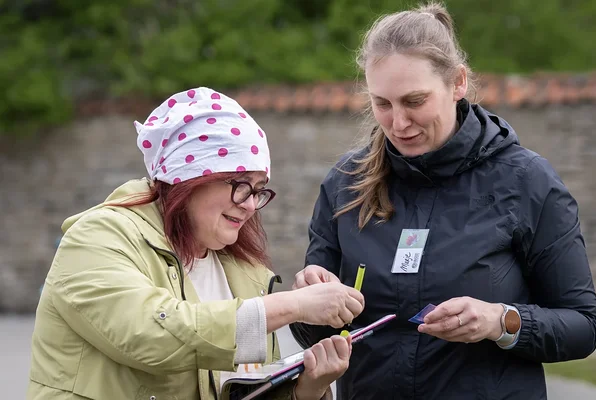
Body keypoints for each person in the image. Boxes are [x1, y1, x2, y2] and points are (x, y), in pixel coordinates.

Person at [290, 2, 596, 399]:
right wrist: (307, 302)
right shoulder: (344, 184)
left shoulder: (527, 181)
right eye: (382, 103)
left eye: (414, 101)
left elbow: (584, 327)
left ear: (458, 83)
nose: (398, 123)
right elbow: (312, 335)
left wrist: (500, 321)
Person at [27, 87, 365, 400]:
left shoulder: (242, 269)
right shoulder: (95, 238)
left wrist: (308, 388)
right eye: (240, 184)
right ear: (188, 179)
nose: (250, 204)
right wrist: (294, 305)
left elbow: (243, 392)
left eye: (259, 188)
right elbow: (152, 336)